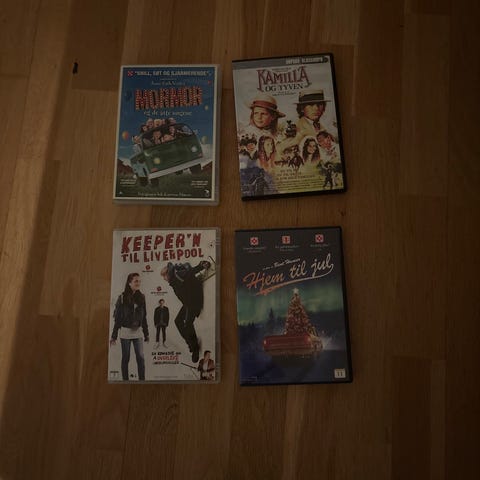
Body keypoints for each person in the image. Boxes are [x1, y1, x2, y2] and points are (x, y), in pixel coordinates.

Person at [160, 260, 211, 362]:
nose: (164, 279)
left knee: (188, 324)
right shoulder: (174, 280)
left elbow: (190, 272)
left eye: (164, 276)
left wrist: (201, 265)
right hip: (188, 303)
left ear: (167, 274)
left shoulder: (178, 275)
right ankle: (191, 343)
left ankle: (195, 349)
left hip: (194, 302)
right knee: (177, 321)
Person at [110, 273, 149, 381]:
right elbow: (117, 318)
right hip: (125, 332)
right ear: (129, 283)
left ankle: (142, 380)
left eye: (139, 281)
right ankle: (125, 380)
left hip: (138, 332)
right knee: (126, 358)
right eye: (136, 281)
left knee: (140, 357)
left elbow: (144, 317)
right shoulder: (122, 298)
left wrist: (146, 333)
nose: (138, 283)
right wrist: (114, 336)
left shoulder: (142, 297)